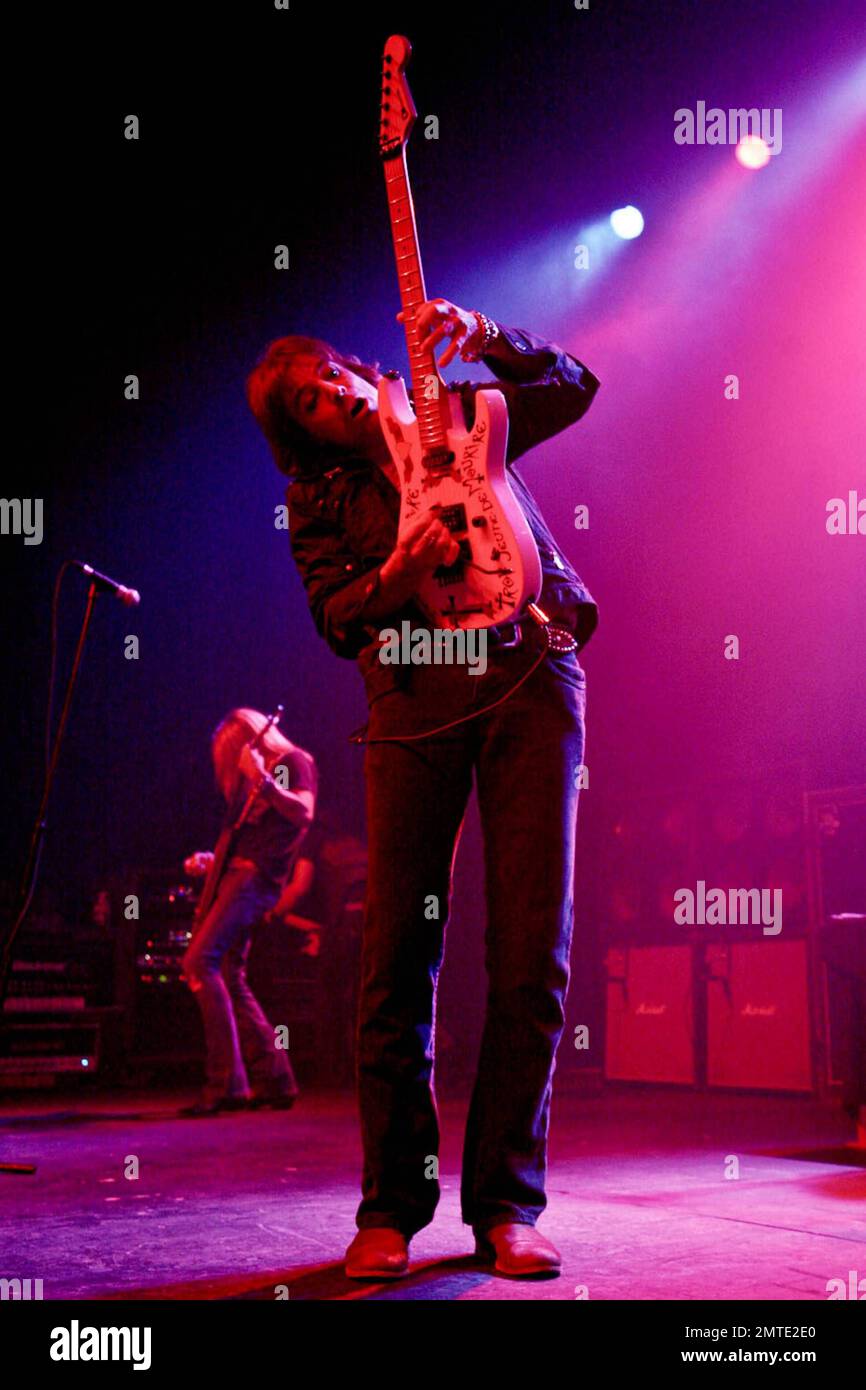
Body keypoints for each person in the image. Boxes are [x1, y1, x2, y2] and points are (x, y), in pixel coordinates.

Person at [247, 299, 600, 1276]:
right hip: (410, 694)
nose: (330, 399)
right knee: (398, 953)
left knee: (532, 948)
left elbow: (572, 385)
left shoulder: (458, 414)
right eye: (307, 406)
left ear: (358, 368)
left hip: (530, 670)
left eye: (328, 377)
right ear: (302, 437)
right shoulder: (319, 501)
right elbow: (336, 615)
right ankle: (391, 1208)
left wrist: (488, 335)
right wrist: (399, 572)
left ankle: (505, 1206)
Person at [180, 707, 317, 1116]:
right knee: (226, 974)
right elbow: (253, 837)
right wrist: (213, 860)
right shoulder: (252, 783)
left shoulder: (292, 762)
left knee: (198, 962)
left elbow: (303, 812)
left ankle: (227, 1083)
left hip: (254, 880)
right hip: (239, 874)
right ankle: (276, 1079)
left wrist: (261, 777)